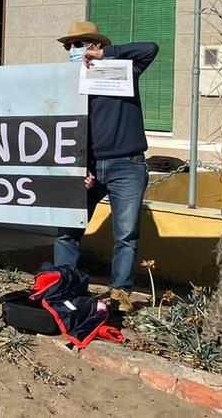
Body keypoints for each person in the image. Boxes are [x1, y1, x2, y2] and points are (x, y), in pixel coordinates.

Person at [53, 22, 158, 313]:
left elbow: (151, 49)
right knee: (66, 231)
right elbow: (68, 128)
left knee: (125, 234)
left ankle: (120, 293)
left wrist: (107, 54)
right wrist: (79, 165)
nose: (73, 50)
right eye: (68, 45)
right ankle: (63, 284)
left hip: (128, 165)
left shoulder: (125, 70)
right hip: (87, 169)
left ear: (94, 45)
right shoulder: (68, 81)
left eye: (80, 43)